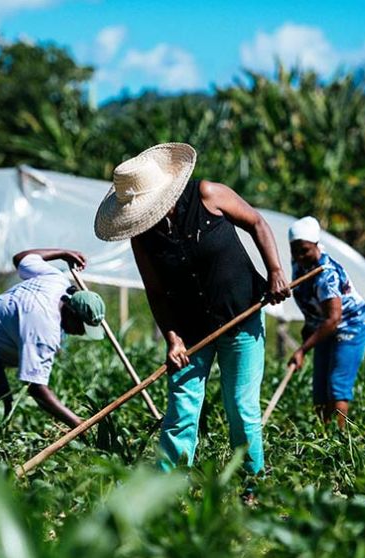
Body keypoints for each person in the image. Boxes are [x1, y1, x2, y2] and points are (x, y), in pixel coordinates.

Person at [93, 142, 290, 493]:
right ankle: (166, 490)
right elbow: (155, 290)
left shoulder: (208, 194)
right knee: (181, 410)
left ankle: (253, 486)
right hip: (189, 332)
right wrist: (172, 338)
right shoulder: (143, 237)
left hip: (240, 316)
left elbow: (257, 223)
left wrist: (274, 271)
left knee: (242, 407)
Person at [0, 249, 106, 429]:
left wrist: (61, 253)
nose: (81, 334)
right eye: (81, 328)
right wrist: (77, 423)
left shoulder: (57, 280)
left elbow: (20, 258)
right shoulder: (43, 329)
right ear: (71, 314)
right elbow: (35, 387)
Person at [286, 217, 365, 430]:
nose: (299, 256)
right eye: (295, 251)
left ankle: (339, 442)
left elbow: (333, 318)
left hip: (351, 325)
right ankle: (322, 436)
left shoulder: (327, 275)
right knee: (319, 389)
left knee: (336, 386)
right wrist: (308, 330)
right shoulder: (299, 264)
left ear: (316, 245)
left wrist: (302, 350)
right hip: (325, 326)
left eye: (305, 250)